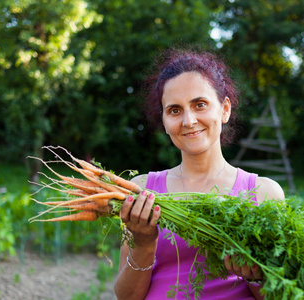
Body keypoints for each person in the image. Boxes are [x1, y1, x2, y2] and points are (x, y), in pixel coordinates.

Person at [113, 46, 285, 300]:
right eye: (174, 110)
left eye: (200, 104)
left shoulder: (263, 193)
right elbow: (126, 298)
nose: (188, 121)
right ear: (164, 120)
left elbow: (282, 295)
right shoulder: (141, 190)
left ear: (224, 109)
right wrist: (145, 243)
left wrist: (256, 276)